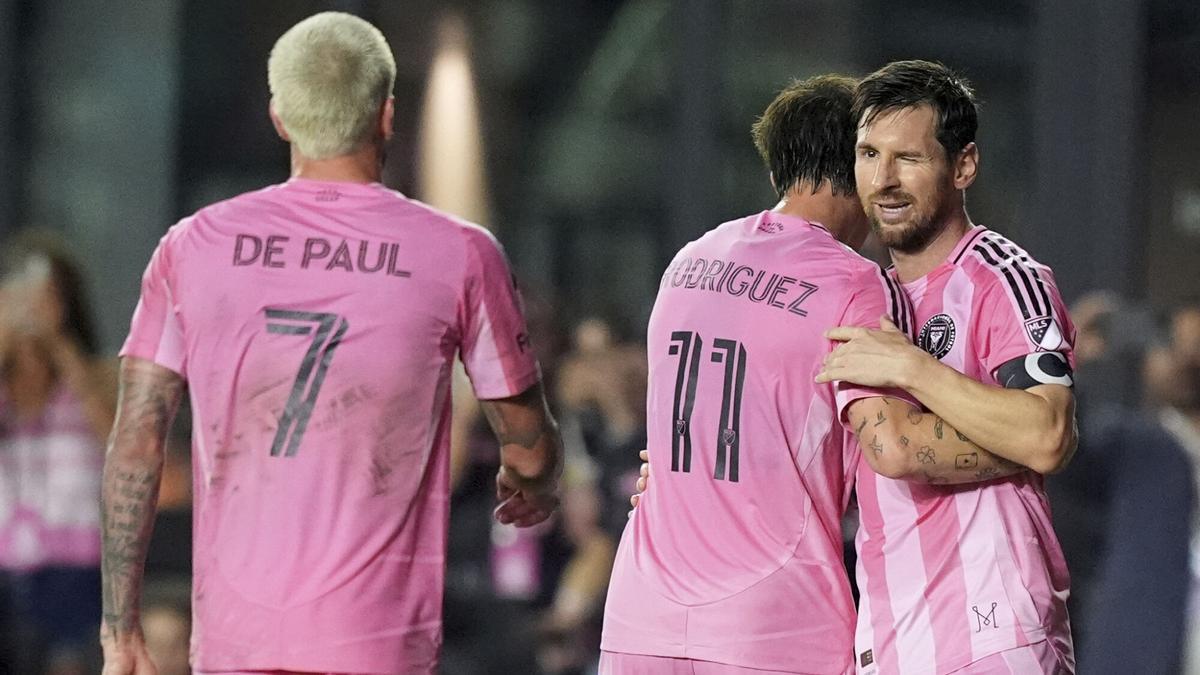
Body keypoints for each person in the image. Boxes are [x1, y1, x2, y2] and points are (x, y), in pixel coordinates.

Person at [99, 12, 562, 675]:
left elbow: (136, 442)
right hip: (379, 646)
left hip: (238, 643)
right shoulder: (459, 252)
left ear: (280, 117)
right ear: (387, 114)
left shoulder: (191, 247)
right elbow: (523, 431)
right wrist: (534, 479)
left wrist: (121, 632)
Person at [601, 75, 1037, 675]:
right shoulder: (851, 281)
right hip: (771, 626)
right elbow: (895, 446)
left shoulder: (688, 262)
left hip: (638, 617)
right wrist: (1027, 445)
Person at [815, 60, 1077, 673]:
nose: (884, 180)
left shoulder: (1003, 278)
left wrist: (914, 368)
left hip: (995, 634)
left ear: (963, 166)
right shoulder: (861, 296)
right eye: (869, 155)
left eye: (908, 158)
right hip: (888, 638)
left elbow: (1048, 431)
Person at [0, 232, 115, 675]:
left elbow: (120, 438)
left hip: (80, 566)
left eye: (46, 297)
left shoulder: (97, 372)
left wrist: (59, 344)